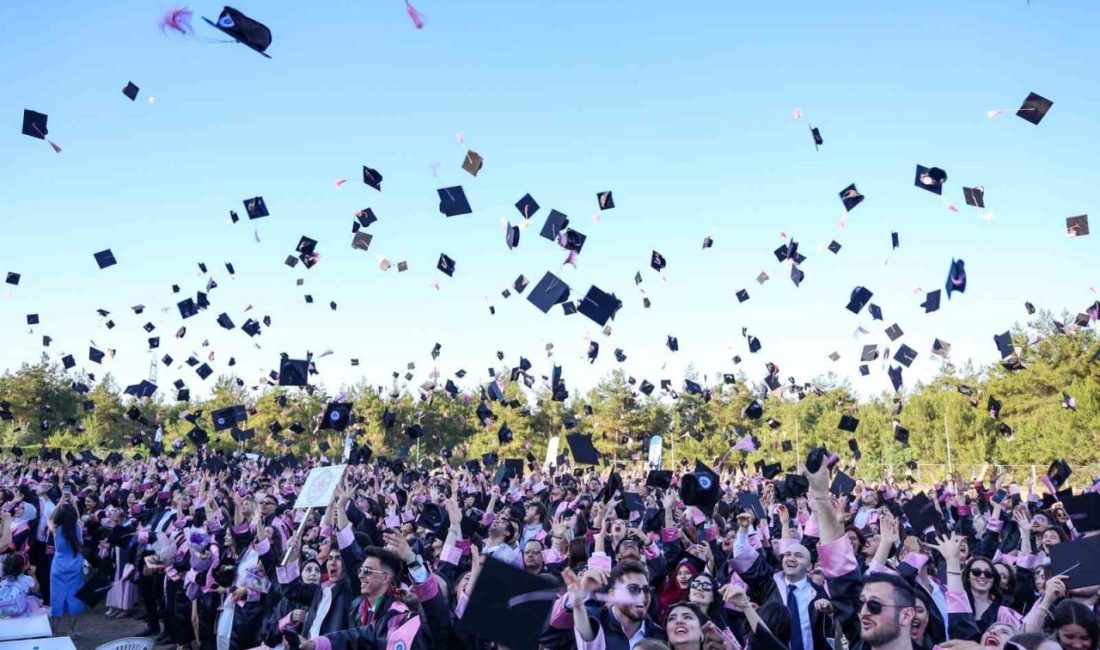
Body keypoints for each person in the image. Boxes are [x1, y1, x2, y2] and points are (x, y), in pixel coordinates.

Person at [48, 500, 85, 636]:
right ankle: (72, 630)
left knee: (56, 597)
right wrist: (73, 503)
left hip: (58, 566)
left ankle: (55, 631)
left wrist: (60, 502)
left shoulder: (56, 529)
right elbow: (77, 516)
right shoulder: (78, 528)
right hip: (75, 565)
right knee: (74, 597)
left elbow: (50, 518)